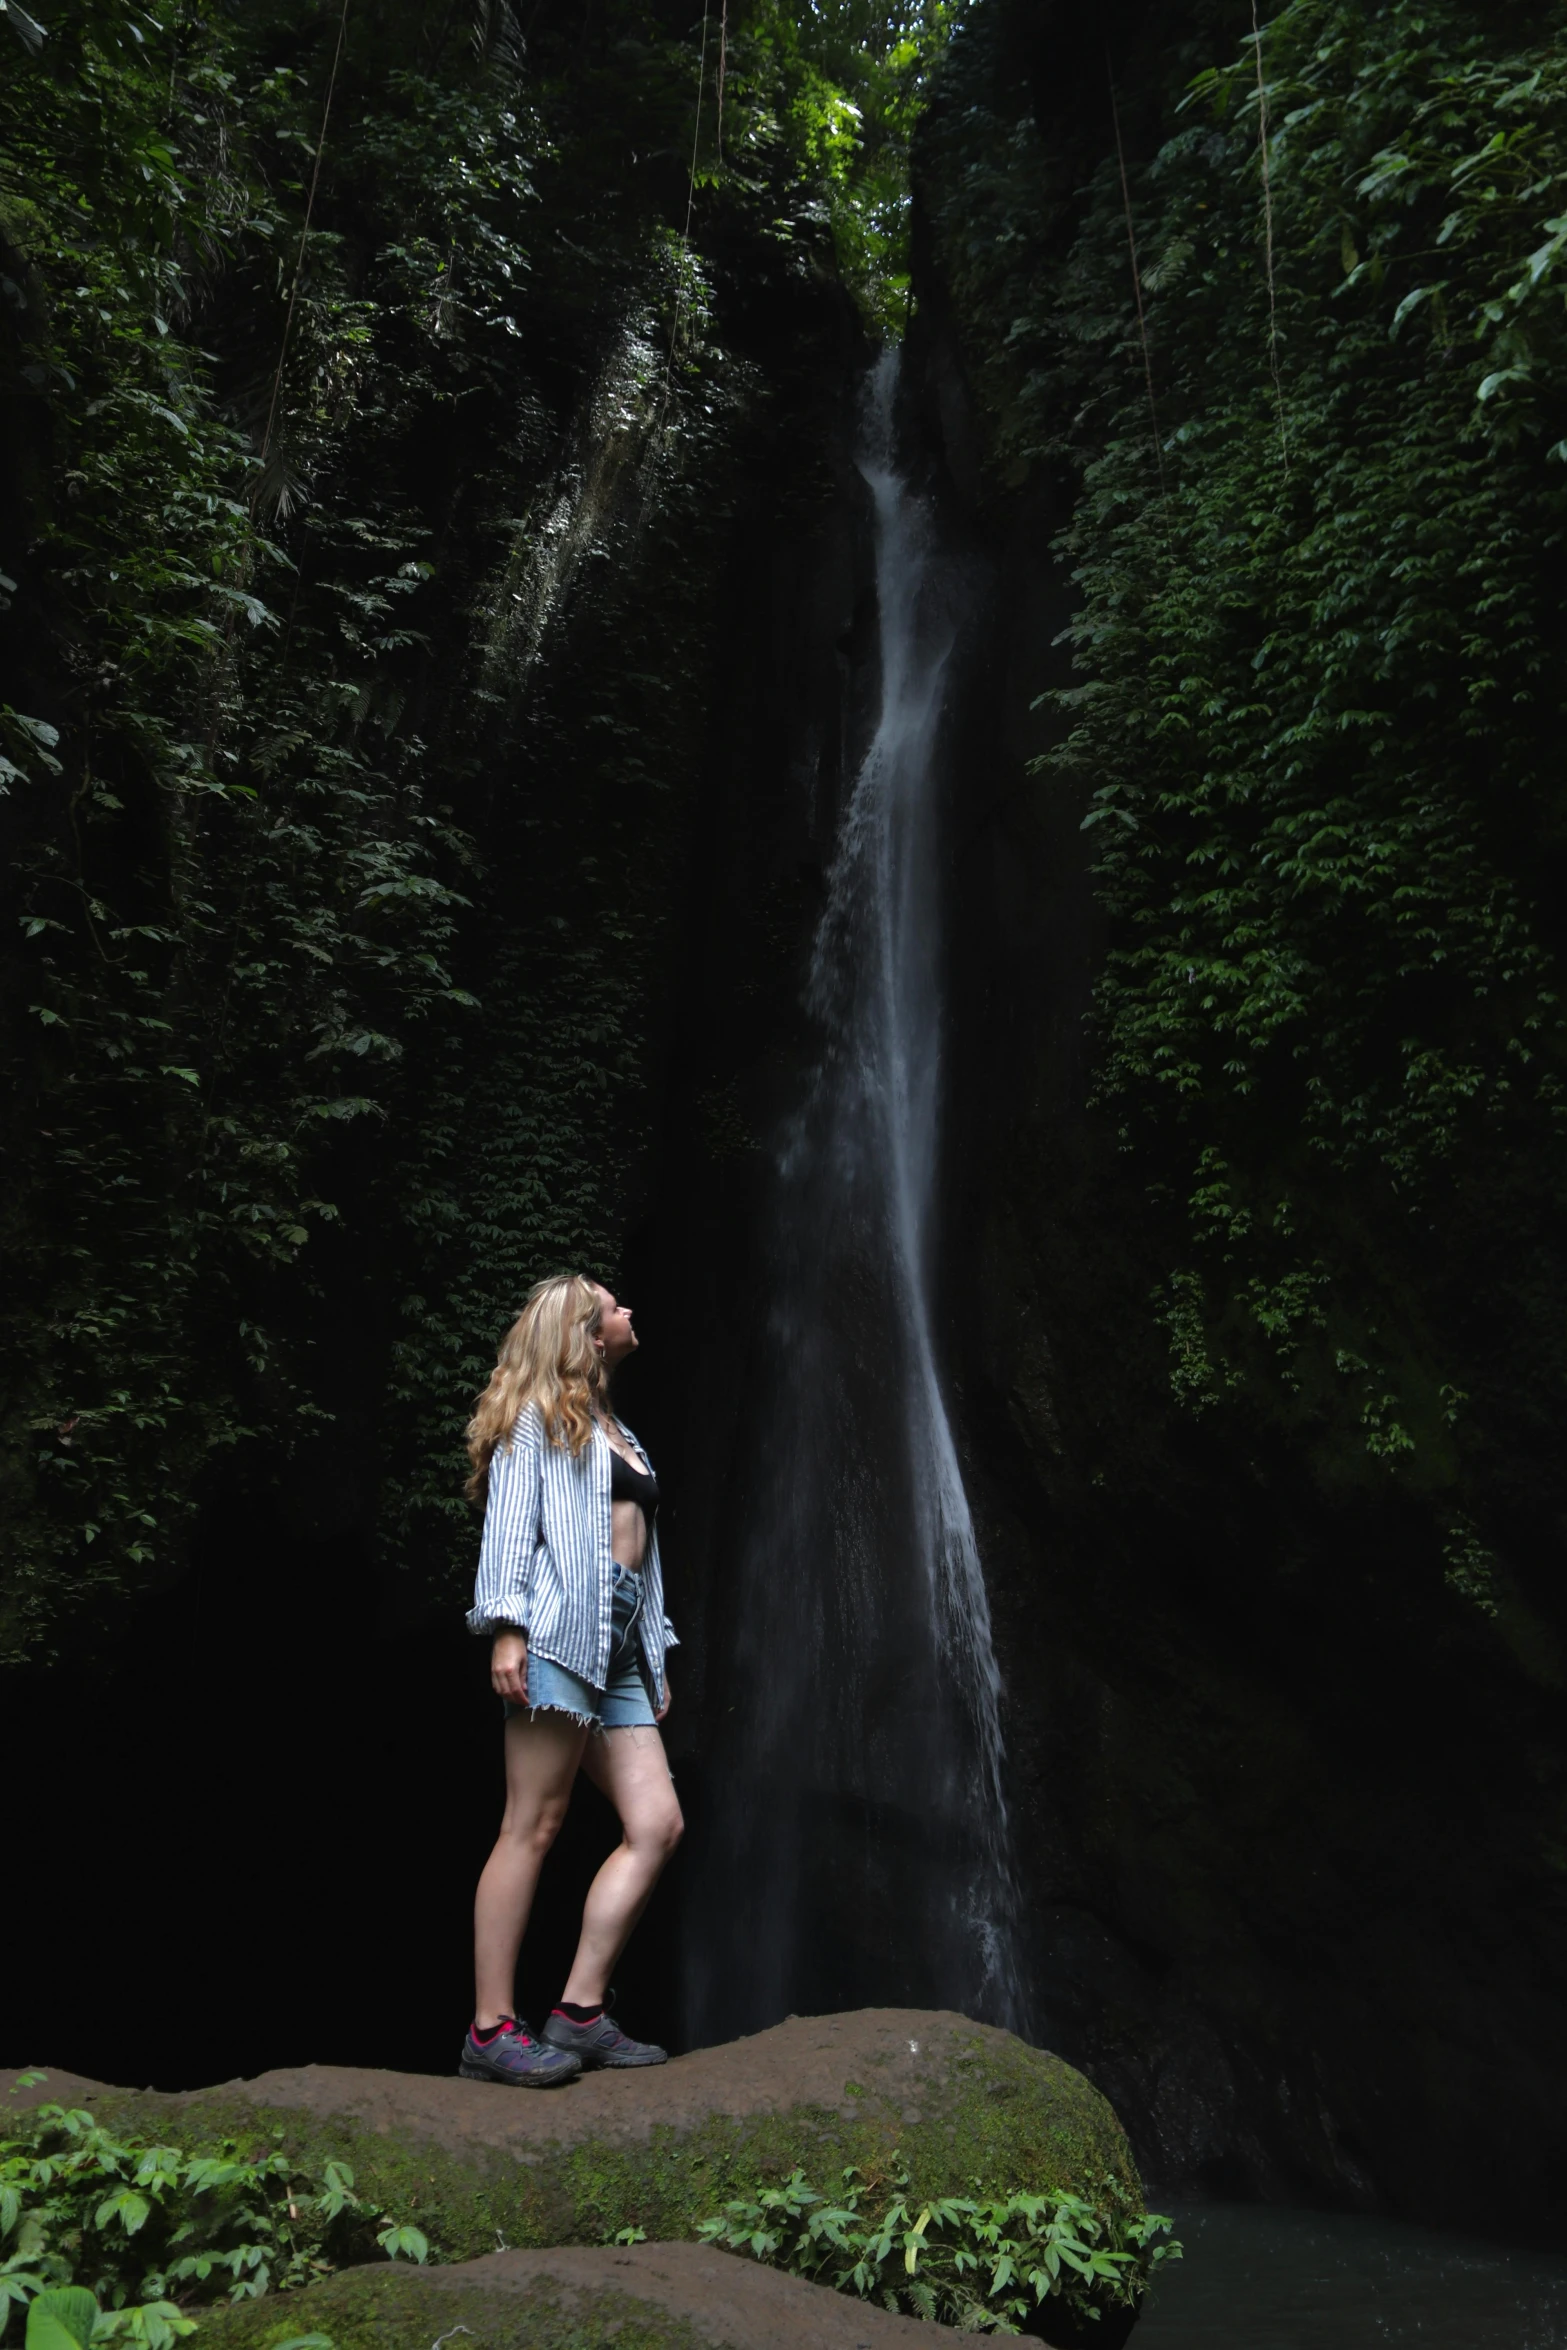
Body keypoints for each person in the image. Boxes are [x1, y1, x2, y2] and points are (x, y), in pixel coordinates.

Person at [459, 1272, 683, 2086]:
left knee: (656, 1824)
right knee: (534, 1823)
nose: (629, 1311)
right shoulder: (536, 1421)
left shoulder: (618, 1429)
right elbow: (511, 1527)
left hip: (618, 1647)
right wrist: (505, 1631)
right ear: (588, 1334)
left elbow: (639, 1554)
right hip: (555, 1636)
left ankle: (579, 2012)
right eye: (614, 1307)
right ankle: (490, 2028)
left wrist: (652, 1647)